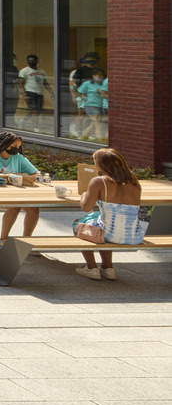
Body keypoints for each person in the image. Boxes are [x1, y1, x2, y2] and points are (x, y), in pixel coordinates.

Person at [76, 147, 142, 280]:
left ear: (101, 165)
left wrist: (84, 194)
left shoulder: (99, 182)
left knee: (78, 224)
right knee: (100, 222)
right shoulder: (134, 183)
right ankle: (107, 268)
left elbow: (86, 208)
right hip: (135, 235)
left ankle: (91, 268)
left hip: (110, 234)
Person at [0, 131, 41, 248]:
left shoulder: (18, 157)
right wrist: (19, 177)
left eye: (19, 147)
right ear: (3, 144)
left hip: (15, 193)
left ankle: (26, 241)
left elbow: (35, 173)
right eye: (14, 146)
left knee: (34, 208)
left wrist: (26, 177)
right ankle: (2, 240)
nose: (17, 149)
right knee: (14, 206)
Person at [77, 70, 108, 142]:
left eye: (100, 74)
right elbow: (79, 92)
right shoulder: (87, 84)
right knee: (98, 125)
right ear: (92, 76)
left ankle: (83, 138)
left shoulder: (103, 84)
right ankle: (101, 141)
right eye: (95, 75)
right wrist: (81, 101)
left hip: (99, 106)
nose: (98, 76)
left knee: (93, 124)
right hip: (90, 106)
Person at [20, 54, 49, 119]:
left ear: (37, 61)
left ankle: (23, 120)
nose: (31, 62)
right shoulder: (24, 71)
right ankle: (36, 127)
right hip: (30, 92)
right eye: (29, 61)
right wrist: (24, 94)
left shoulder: (42, 71)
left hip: (39, 92)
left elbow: (45, 83)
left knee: (38, 110)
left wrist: (51, 92)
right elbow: (21, 83)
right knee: (35, 110)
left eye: (33, 60)